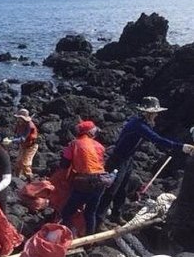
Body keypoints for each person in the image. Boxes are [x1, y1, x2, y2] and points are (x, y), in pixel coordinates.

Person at [96, 96, 194, 227]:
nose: (157, 116)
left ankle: (116, 215)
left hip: (127, 159)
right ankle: (99, 220)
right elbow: (157, 139)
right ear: (149, 113)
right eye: (155, 113)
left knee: (123, 188)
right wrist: (181, 147)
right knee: (111, 190)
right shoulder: (139, 126)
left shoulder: (141, 122)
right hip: (118, 159)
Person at [60, 121, 108, 235]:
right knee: (90, 213)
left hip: (84, 182)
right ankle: (89, 241)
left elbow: (64, 164)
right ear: (91, 132)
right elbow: (100, 163)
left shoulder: (74, 144)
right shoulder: (99, 146)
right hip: (101, 181)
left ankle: (67, 235)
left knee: (67, 212)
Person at [3, 108, 39, 180]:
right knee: (18, 162)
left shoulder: (29, 126)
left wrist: (11, 141)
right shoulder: (19, 124)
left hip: (31, 146)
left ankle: (31, 179)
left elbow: (23, 138)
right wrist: (10, 138)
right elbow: (16, 135)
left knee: (26, 163)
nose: (19, 119)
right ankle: (17, 178)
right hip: (23, 145)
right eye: (18, 118)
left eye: (20, 118)